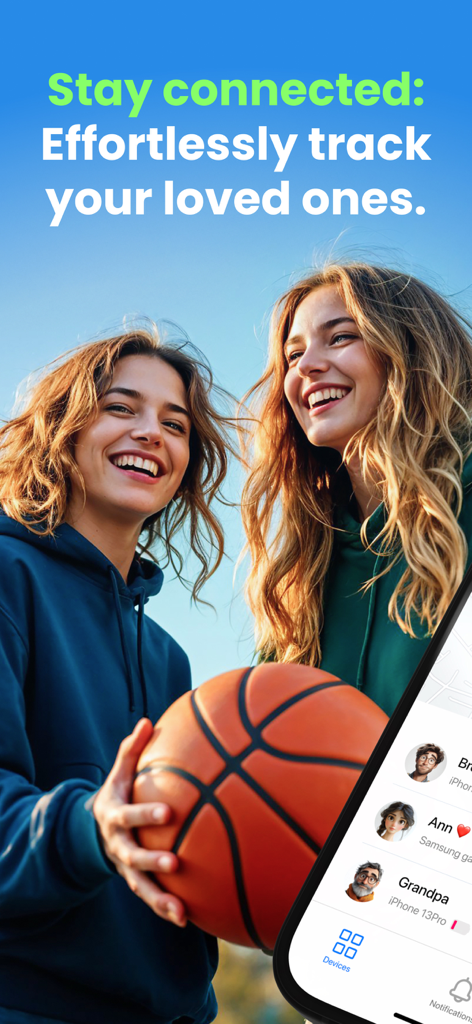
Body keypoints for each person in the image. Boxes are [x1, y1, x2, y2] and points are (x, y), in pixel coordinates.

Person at [0, 327, 233, 1024]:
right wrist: (87, 829)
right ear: (61, 431)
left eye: (175, 423)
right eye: (121, 407)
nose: (151, 432)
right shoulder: (9, 579)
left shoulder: (167, 657)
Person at [241, 262, 472, 716]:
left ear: (414, 351)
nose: (306, 366)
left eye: (341, 336)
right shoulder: (298, 575)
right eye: (292, 355)